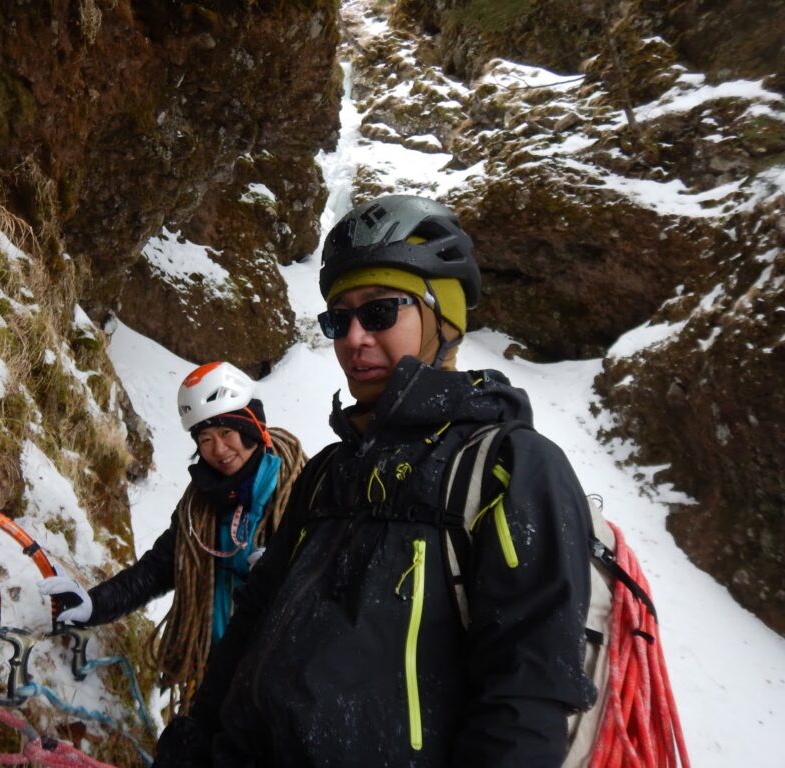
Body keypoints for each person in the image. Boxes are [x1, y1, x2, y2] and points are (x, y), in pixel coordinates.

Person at [155, 195, 596, 766]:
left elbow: (525, 699)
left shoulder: (509, 469)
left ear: (444, 317)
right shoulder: (327, 474)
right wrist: (196, 736)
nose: (354, 338)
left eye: (381, 312)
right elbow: (253, 626)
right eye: (339, 319)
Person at [39, 361, 306, 714]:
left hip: (282, 681)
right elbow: (158, 568)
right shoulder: (200, 505)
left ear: (252, 426)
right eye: (205, 439)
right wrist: (95, 605)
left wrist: (287, 571)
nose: (219, 450)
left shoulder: (305, 489)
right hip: (214, 674)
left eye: (227, 432)